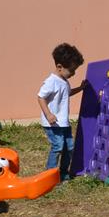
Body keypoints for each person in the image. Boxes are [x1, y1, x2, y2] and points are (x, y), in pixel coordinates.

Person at [37, 43, 86, 180]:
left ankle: (63, 174)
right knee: (58, 146)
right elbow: (41, 97)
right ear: (59, 66)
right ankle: (49, 176)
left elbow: (67, 93)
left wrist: (81, 88)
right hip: (53, 123)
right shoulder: (51, 81)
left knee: (69, 147)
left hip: (63, 122)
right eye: (71, 70)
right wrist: (48, 114)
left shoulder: (63, 81)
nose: (74, 73)